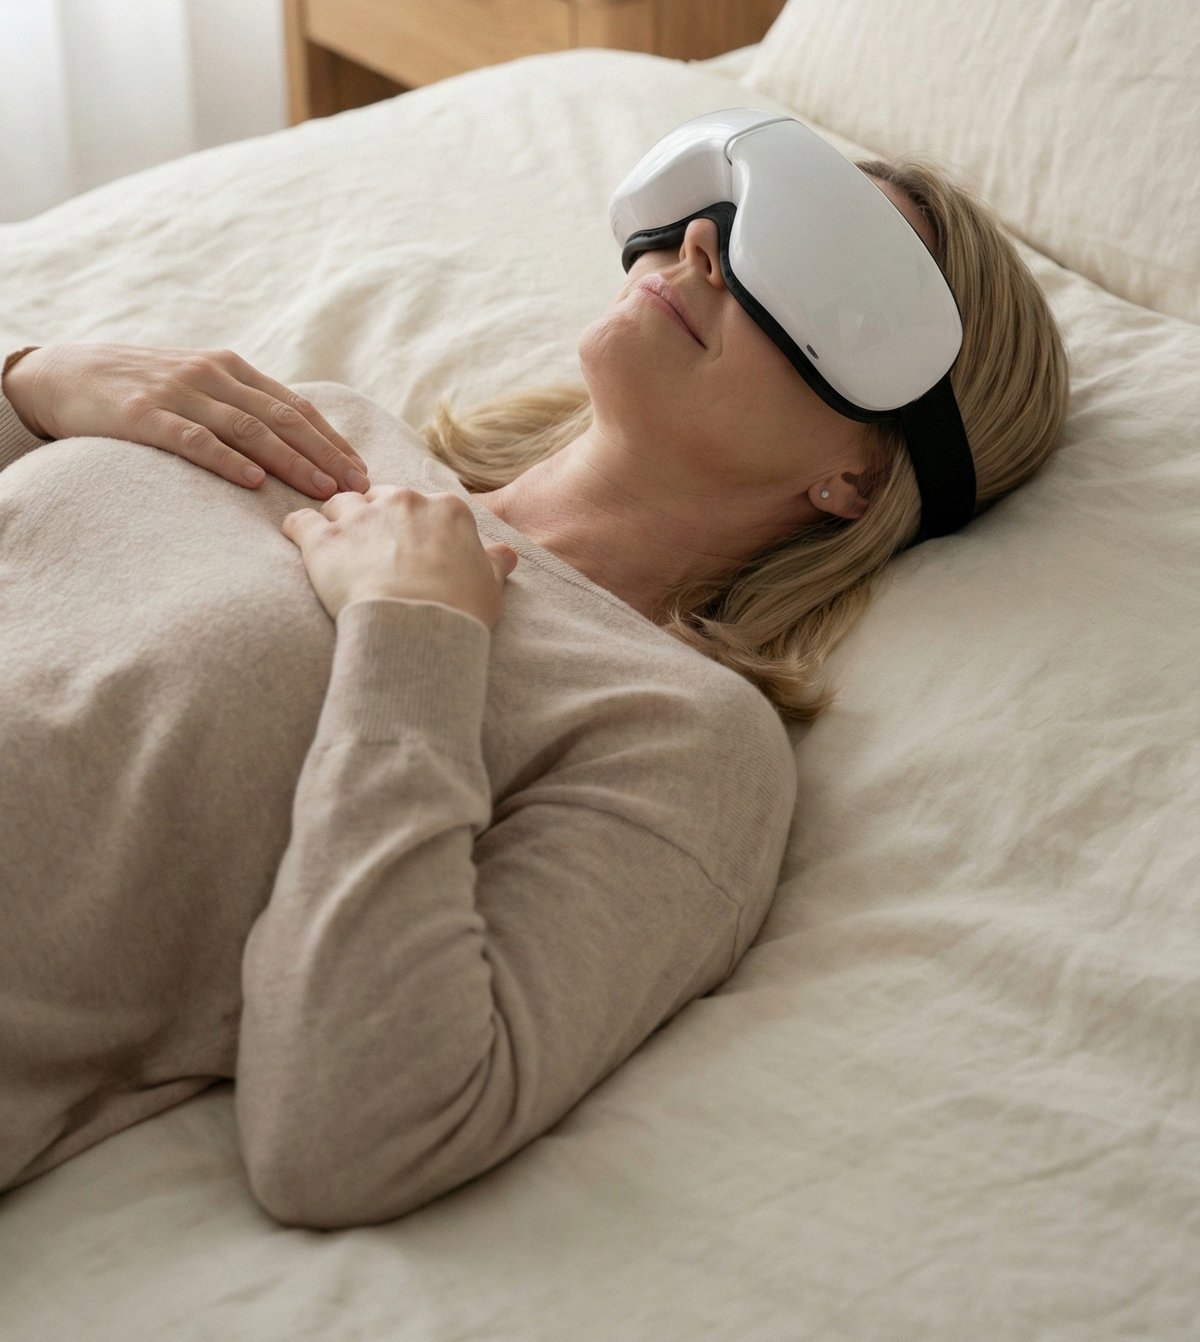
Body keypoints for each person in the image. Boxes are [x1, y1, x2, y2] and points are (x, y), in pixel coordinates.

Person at [0, 156, 1067, 1228]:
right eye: (728, 212)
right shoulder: (324, 426)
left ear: (863, 477)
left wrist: (413, 639)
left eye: (807, 266)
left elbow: (355, 1133)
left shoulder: (679, 733)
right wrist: (29, 385)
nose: (702, 243)